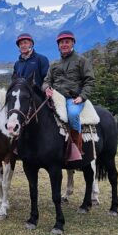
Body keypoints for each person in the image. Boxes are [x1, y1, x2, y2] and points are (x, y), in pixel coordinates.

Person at [42, 30, 95, 162]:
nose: (64, 44)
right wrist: (46, 88)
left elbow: (90, 81)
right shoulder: (54, 64)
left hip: (74, 98)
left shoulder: (81, 61)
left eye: (67, 42)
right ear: (58, 45)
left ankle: (76, 147)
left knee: (72, 115)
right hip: (56, 98)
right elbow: (47, 80)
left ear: (72, 43)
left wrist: (82, 96)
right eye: (61, 42)